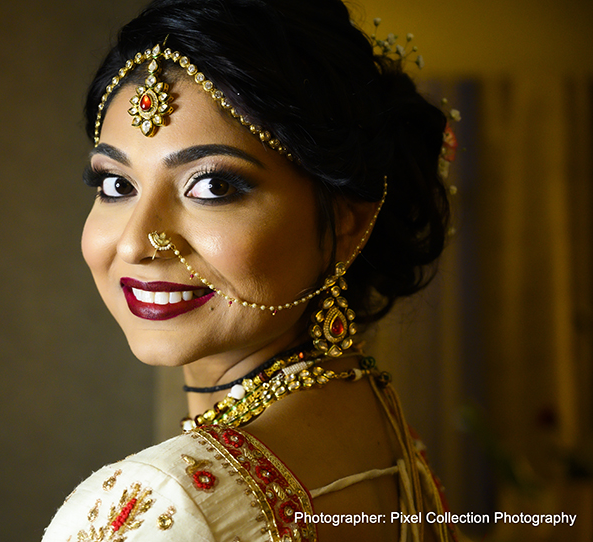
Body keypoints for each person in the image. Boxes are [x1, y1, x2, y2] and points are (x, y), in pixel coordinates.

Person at [44, 0, 457, 540]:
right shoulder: (375, 417)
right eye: (116, 185)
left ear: (345, 222)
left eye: (213, 185)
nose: (136, 243)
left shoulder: (158, 504)